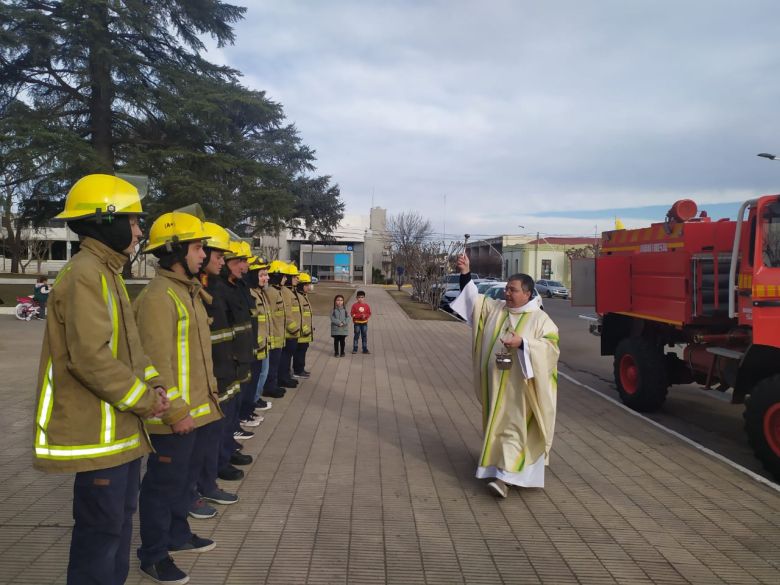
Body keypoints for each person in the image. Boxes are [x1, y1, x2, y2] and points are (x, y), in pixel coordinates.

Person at [32, 173, 169, 585]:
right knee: (101, 536)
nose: (140, 230)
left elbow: (129, 350)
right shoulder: (85, 275)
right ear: (104, 220)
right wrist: (146, 400)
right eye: (132, 221)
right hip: (98, 435)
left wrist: (155, 384)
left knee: (117, 530)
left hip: (121, 433)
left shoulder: (107, 273)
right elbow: (90, 358)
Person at [134, 210, 222, 583]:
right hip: (174, 416)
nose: (203, 254)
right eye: (197, 247)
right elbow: (155, 364)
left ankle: (177, 535)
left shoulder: (186, 293)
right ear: (174, 250)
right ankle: (153, 555)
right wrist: (177, 413)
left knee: (181, 482)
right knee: (161, 486)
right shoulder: (158, 297)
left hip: (196, 413)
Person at [450, 253, 560, 498]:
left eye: (513, 290)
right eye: (507, 289)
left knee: (514, 430)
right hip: (496, 385)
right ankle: (498, 468)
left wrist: (523, 344)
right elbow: (471, 301)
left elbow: (551, 348)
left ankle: (504, 479)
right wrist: (466, 272)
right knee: (498, 427)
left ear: (528, 294)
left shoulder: (541, 320)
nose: (507, 294)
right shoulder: (497, 309)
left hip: (522, 391)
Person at [197, 228, 249, 503]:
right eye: (217, 255)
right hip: (213, 374)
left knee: (222, 426)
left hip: (226, 368)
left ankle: (212, 475)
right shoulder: (207, 290)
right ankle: (204, 484)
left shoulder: (222, 288)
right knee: (208, 437)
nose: (215, 259)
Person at [262, 260, 289, 399]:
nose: (286, 278)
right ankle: (269, 388)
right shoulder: (271, 293)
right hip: (274, 336)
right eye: (283, 276)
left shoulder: (276, 291)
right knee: (272, 365)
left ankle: (273, 385)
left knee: (275, 364)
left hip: (279, 334)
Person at [277, 262, 301, 387]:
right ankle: (283, 378)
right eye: (295, 277)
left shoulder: (291, 291)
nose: (298, 279)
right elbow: (287, 313)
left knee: (287, 356)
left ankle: (286, 376)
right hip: (288, 332)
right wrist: (294, 328)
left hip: (292, 332)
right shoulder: (285, 292)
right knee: (285, 357)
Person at [293, 272, 313, 377]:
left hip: (305, 331)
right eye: (307, 284)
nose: (309, 287)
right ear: (301, 285)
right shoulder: (299, 297)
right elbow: (299, 315)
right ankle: (298, 371)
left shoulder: (304, 296)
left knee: (303, 350)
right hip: (302, 331)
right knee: (300, 352)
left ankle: (301, 369)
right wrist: (305, 328)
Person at [350, 290, 372, 354]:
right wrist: (359, 316)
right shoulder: (354, 306)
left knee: (364, 336)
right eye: (359, 297)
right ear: (356, 298)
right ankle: (355, 348)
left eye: (362, 297)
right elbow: (352, 314)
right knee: (356, 336)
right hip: (357, 323)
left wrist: (365, 316)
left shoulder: (366, 306)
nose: (360, 299)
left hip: (364, 323)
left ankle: (364, 349)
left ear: (364, 298)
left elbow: (369, 313)